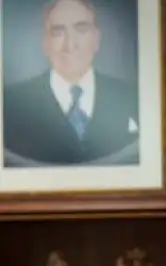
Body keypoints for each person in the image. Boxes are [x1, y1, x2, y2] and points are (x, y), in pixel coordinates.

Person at [3, 0, 141, 166]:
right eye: (58, 32)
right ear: (45, 43)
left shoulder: (132, 98)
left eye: (81, 29)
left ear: (96, 39)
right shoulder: (10, 105)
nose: (70, 45)